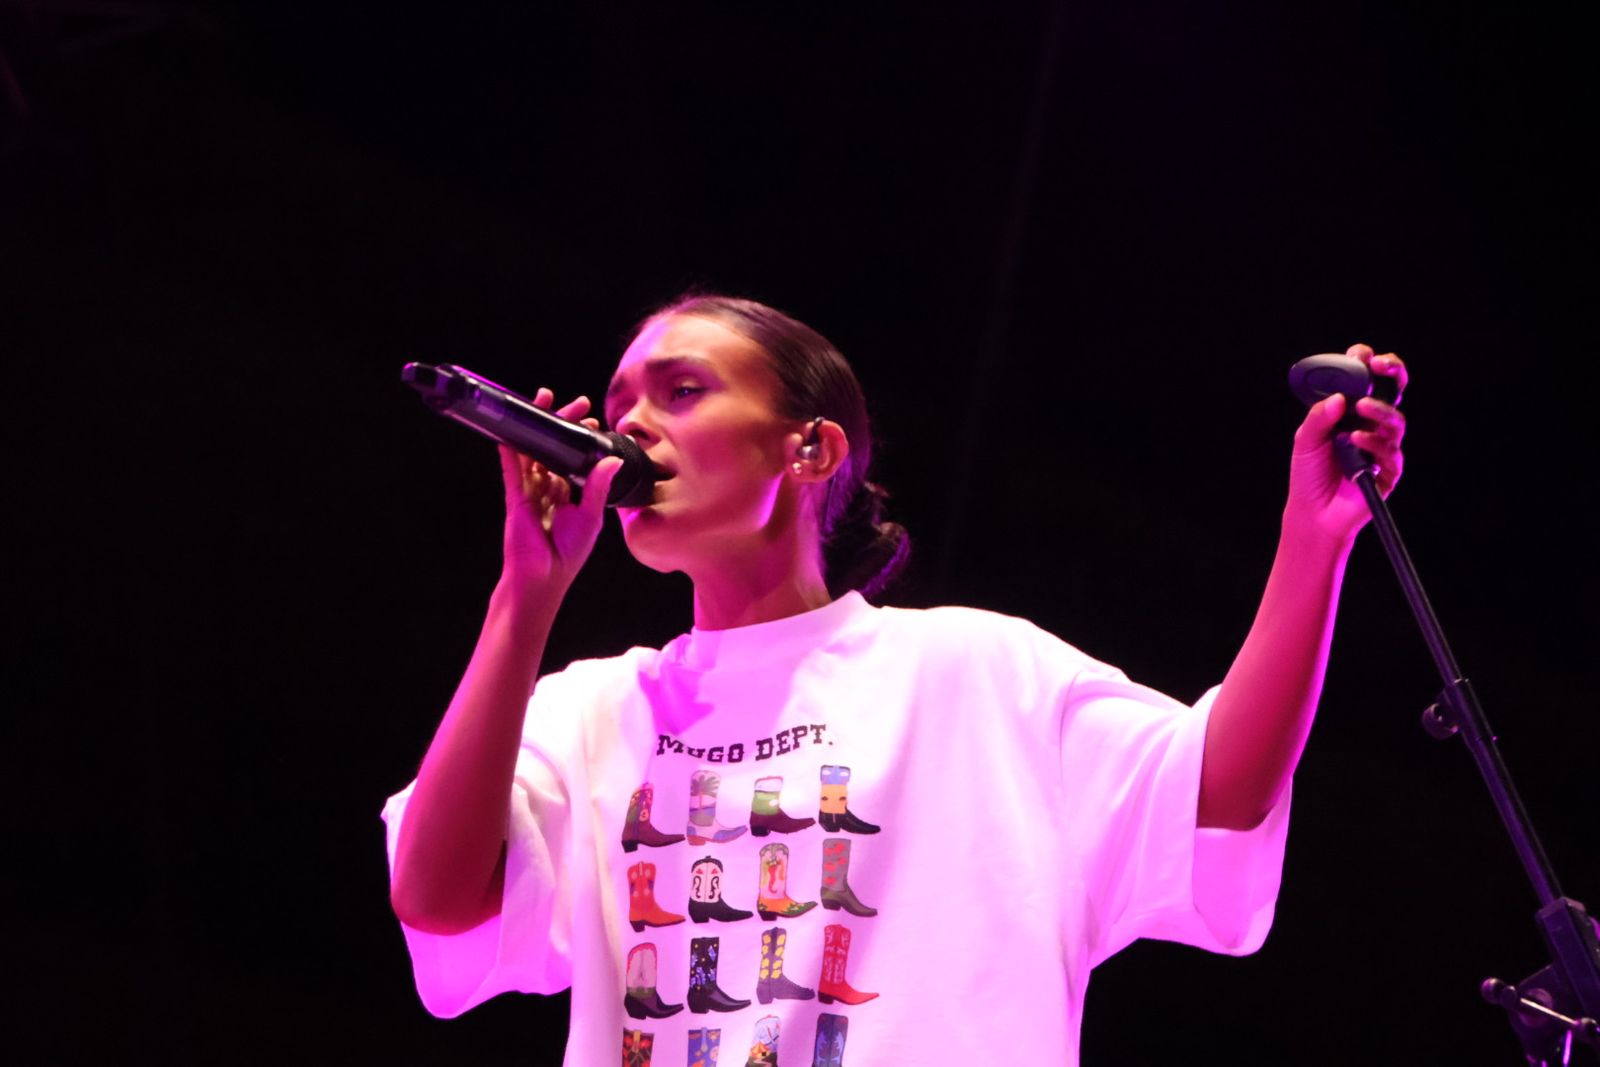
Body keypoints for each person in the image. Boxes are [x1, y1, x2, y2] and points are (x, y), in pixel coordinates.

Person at [384, 294, 1408, 1066]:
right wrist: (525, 594)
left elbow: (1216, 795)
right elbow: (436, 900)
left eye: (681, 391)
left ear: (810, 446)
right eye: (617, 405)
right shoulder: (594, 709)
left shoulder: (971, 673)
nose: (631, 426)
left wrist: (1311, 542)